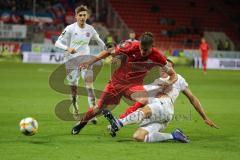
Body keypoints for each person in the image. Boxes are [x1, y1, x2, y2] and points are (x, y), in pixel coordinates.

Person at [71, 32, 178, 135]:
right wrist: (89, 62)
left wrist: (168, 82)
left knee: (145, 100)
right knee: (98, 108)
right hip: (117, 83)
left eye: (145, 50)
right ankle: (81, 124)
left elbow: (174, 75)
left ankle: (119, 122)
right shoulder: (130, 46)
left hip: (133, 86)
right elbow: (109, 52)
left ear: (152, 47)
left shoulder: (158, 56)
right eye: (141, 48)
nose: (142, 52)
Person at [107, 60, 218, 142]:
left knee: (145, 110)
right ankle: (174, 135)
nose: (164, 69)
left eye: (168, 67)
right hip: (163, 116)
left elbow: (192, 98)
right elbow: (139, 94)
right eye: (162, 67)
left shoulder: (178, 79)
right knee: (139, 137)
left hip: (163, 105)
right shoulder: (156, 81)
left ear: (172, 70)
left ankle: (119, 123)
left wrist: (204, 117)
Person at [55, 5, 106, 123]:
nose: (82, 17)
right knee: (74, 90)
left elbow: (100, 42)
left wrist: (109, 52)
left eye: (84, 15)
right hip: (71, 61)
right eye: (80, 15)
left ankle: (92, 112)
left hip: (85, 61)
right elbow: (57, 42)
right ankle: (75, 107)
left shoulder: (90, 29)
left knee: (89, 86)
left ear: (87, 16)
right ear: (76, 16)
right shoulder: (70, 29)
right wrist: (67, 48)